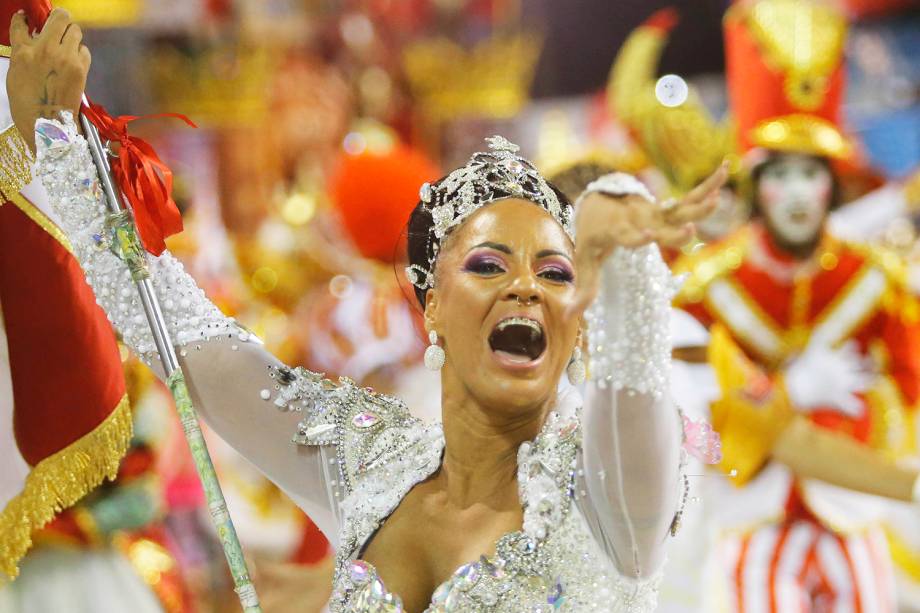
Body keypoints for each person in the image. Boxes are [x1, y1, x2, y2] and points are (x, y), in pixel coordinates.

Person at [7, 9, 727, 612]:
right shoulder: (372, 462)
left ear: (579, 317)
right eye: (487, 263)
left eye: (555, 271)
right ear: (433, 306)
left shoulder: (601, 489)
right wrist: (58, 147)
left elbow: (634, 397)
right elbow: (190, 342)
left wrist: (626, 252)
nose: (524, 287)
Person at [674, 1, 920, 610]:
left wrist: (878, 419)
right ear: (755, 186)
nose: (797, 195)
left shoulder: (877, 281)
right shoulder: (700, 288)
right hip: (747, 521)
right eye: (779, 173)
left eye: (811, 173)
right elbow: (685, 432)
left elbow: (912, 397)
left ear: (832, 182)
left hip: (857, 518)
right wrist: (780, 398)